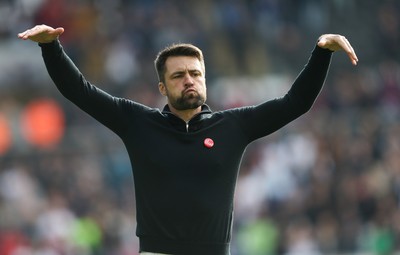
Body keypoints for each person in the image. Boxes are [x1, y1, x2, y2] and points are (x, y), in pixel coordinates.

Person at [17, 24, 358, 255]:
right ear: (163, 88)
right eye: (178, 76)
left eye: (196, 74)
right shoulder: (139, 122)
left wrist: (321, 53)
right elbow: (81, 91)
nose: (189, 81)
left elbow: (295, 103)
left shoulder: (233, 125)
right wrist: (51, 47)